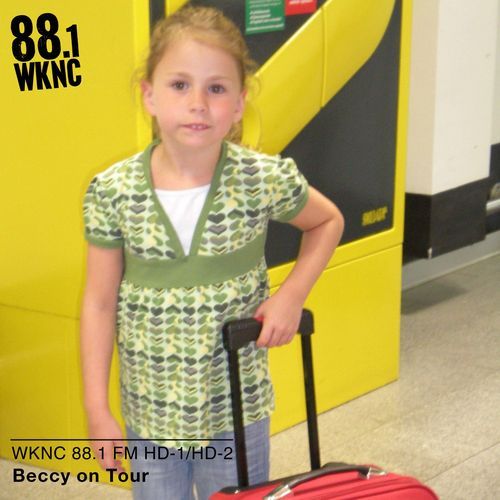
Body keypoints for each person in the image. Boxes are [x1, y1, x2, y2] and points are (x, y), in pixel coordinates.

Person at [80, 5, 344, 500]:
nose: (198, 103)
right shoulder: (113, 192)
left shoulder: (261, 179)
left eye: (216, 88)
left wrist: (291, 296)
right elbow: (98, 302)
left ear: (240, 104)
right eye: (180, 85)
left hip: (236, 409)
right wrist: (98, 408)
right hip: (151, 412)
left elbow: (327, 221)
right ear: (149, 95)